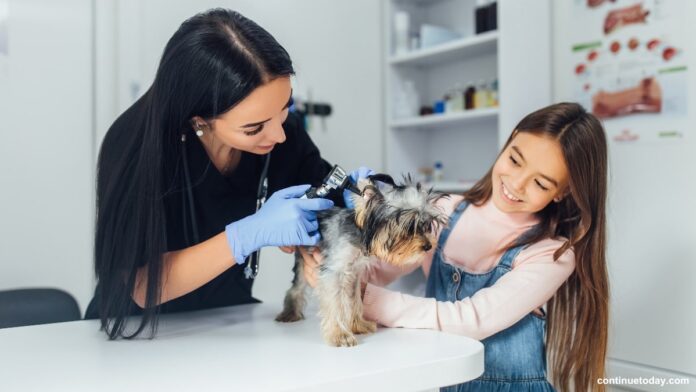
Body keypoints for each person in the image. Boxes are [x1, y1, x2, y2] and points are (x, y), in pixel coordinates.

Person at [84, 8, 366, 340]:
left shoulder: (280, 135)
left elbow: (326, 195)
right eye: (254, 127)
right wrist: (246, 235)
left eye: (285, 107)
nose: (279, 135)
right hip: (138, 333)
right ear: (199, 120)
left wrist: (364, 198)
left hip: (229, 323)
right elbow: (140, 285)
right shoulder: (134, 147)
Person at [303, 102, 609, 391]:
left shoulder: (552, 253)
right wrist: (335, 258)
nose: (516, 184)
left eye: (540, 183)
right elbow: (376, 268)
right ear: (511, 139)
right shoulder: (445, 211)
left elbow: (471, 319)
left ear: (563, 192)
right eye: (515, 160)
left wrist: (360, 295)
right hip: (443, 383)